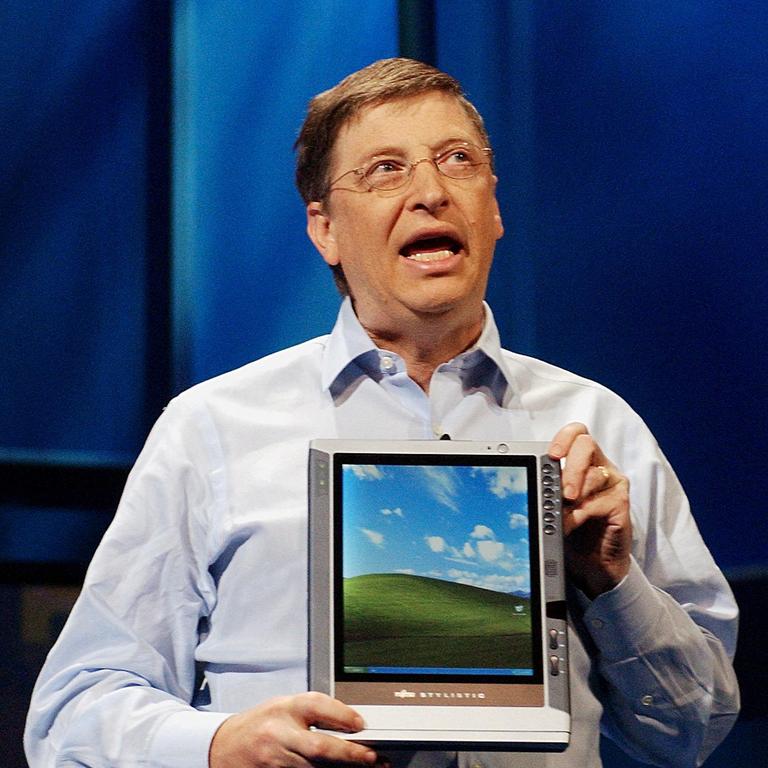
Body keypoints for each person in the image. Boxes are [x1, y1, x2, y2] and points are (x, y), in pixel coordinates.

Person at [25, 58, 738, 768]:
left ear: (493, 207)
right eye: (386, 171)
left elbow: (688, 733)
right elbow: (72, 714)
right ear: (325, 228)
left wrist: (613, 581)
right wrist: (217, 744)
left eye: (457, 160)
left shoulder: (597, 427)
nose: (430, 191)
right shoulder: (211, 426)